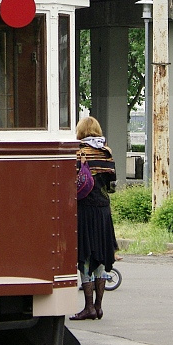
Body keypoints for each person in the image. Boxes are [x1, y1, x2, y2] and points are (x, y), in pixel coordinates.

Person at [70, 116, 117, 322]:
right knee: (100, 257)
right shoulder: (107, 152)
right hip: (103, 211)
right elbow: (111, 186)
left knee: (86, 256)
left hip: (86, 210)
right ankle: (98, 307)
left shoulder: (79, 152)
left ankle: (88, 306)